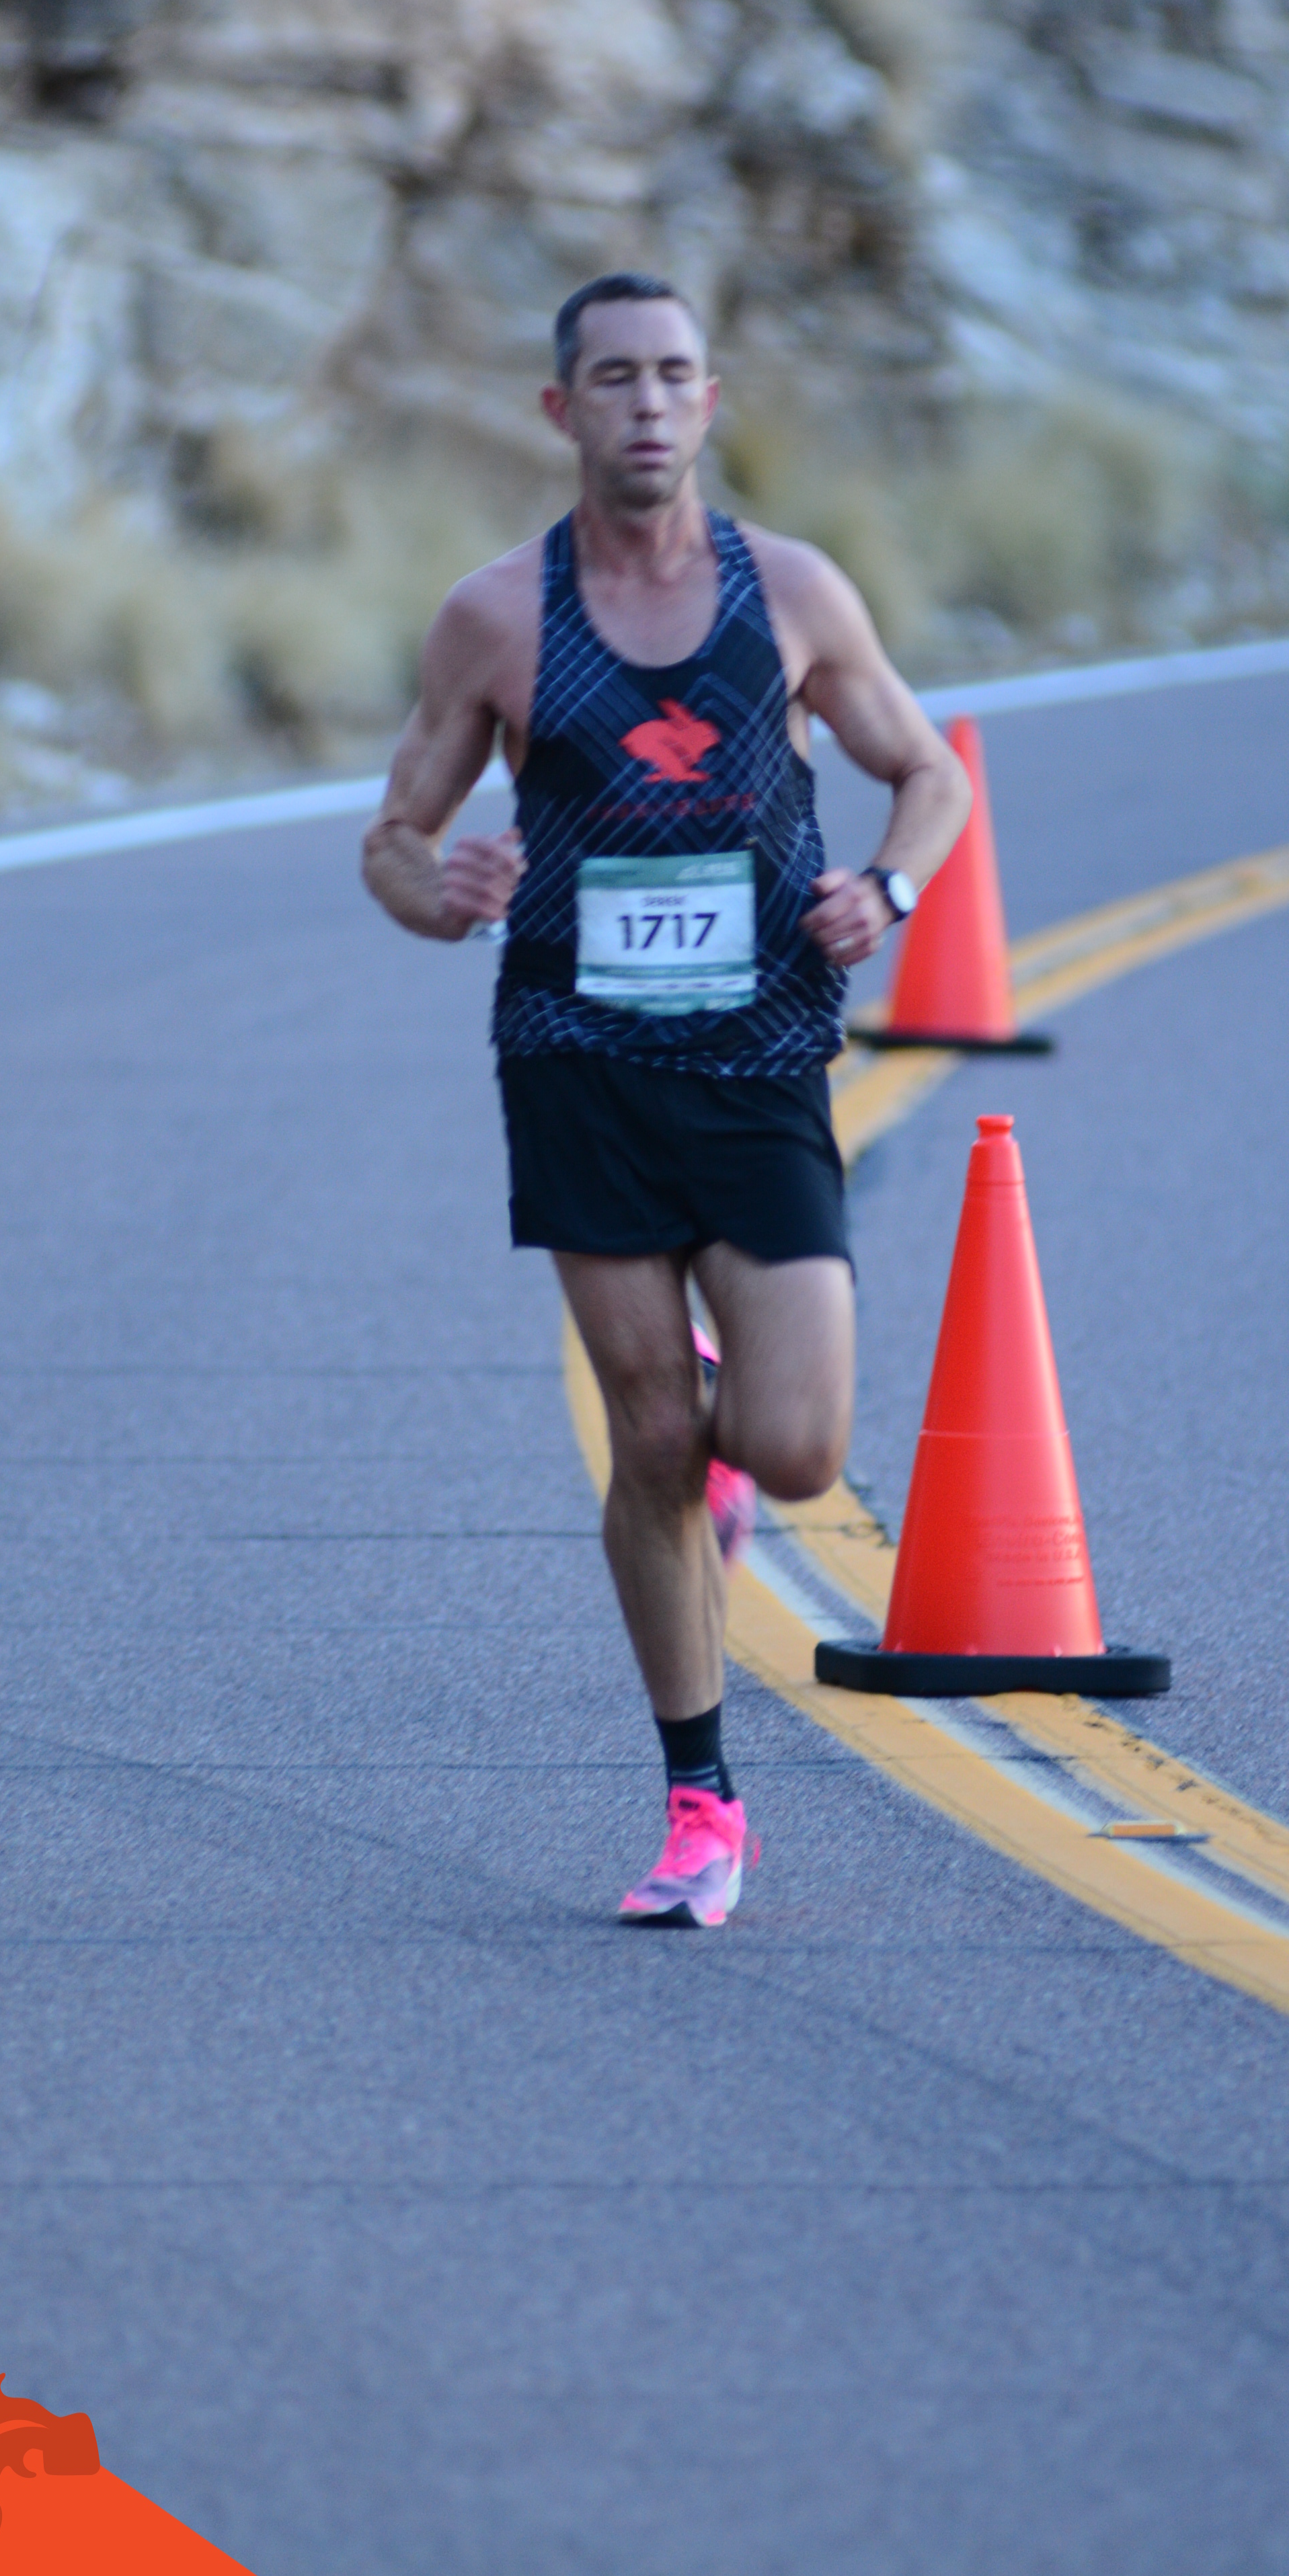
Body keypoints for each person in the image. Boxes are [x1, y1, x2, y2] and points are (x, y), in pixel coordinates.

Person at [362, 274, 972, 1927]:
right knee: (645, 1434)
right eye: (615, 376)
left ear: (710, 402)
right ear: (561, 410)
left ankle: (723, 1422)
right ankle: (702, 1802)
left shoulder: (794, 592)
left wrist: (888, 892)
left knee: (793, 1447)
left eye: (675, 374)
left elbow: (929, 771)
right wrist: (446, 890)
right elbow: (393, 840)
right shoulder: (497, 616)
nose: (647, 402)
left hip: (763, 1059)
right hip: (578, 1058)